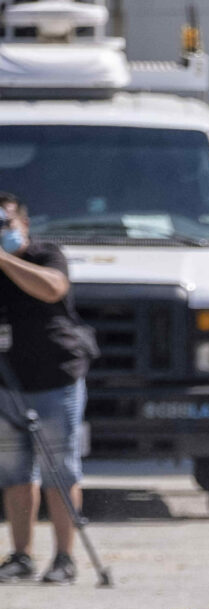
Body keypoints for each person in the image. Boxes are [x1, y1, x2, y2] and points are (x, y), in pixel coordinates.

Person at [0, 192, 93, 585]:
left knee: (60, 468)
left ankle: (64, 557)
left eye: (5, 224)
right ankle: (21, 555)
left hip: (55, 379)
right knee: (15, 471)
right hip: (7, 384)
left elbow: (53, 288)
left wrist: (3, 258)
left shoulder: (44, 255)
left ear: (23, 224)